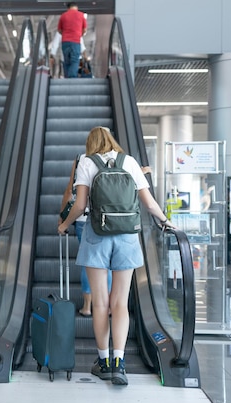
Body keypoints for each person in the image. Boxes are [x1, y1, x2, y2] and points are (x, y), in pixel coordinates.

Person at [57, 126, 175, 386]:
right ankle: (120, 363)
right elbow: (149, 203)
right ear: (112, 141)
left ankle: (104, 361)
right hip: (127, 236)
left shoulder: (87, 162)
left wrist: (64, 225)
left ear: (91, 143)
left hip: (96, 235)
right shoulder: (130, 162)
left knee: (100, 302)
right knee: (120, 303)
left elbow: (79, 205)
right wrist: (166, 221)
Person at [58, 154, 111, 317]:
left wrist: (63, 218)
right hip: (107, 218)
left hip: (83, 219)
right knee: (106, 261)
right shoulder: (118, 159)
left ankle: (87, 306)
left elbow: (70, 190)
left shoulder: (82, 159)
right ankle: (106, 305)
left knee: (89, 260)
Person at [57, 2, 87, 78]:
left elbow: (59, 30)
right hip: (75, 42)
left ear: (68, 8)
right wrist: (79, 35)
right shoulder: (81, 15)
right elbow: (84, 29)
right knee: (74, 61)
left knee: (67, 61)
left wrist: (65, 34)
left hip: (65, 42)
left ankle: (67, 77)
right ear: (76, 7)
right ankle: (72, 79)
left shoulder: (63, 16)